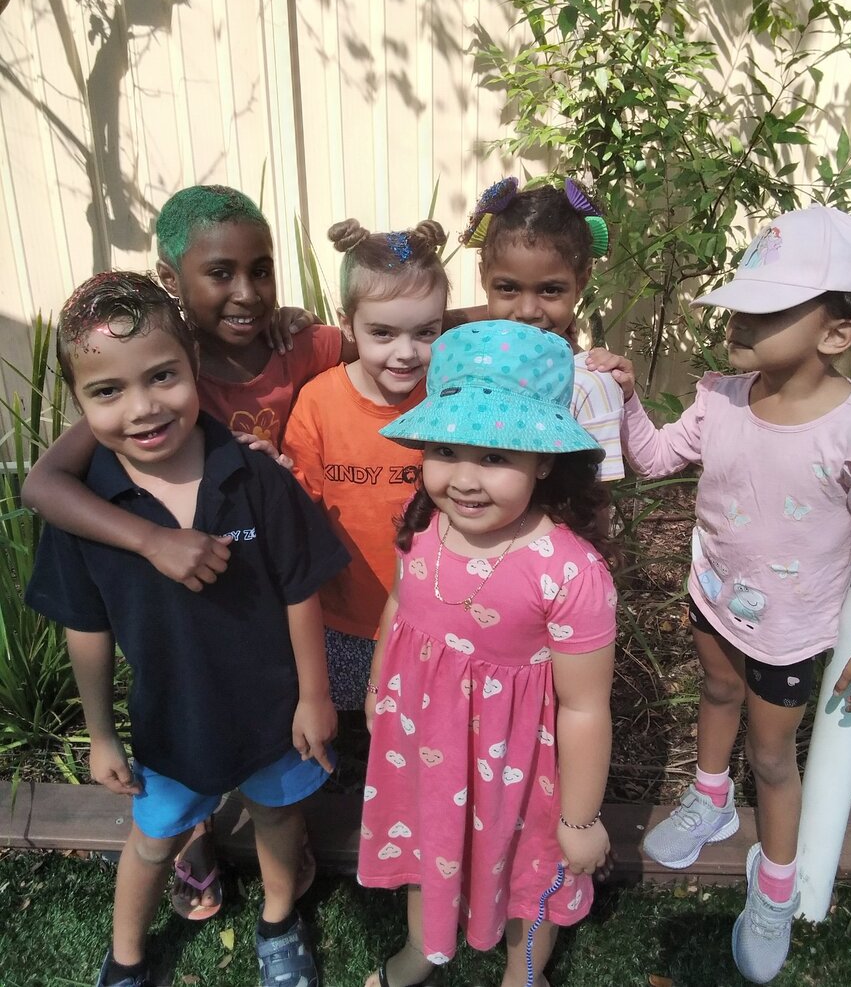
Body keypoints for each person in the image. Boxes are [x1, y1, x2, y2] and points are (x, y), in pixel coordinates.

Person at [21, 184, 348, 917]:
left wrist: (521, 317)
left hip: (262, 571)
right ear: (173, 280)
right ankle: (197, 834)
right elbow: (42, 483)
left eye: (261, 270)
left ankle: (269, 865)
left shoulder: (295, 344)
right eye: (221, 273)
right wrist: (151, 539)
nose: (248, 292)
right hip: (177, 587)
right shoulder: (140, 371)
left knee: (269, 769)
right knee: (190, 738)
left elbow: (391, 334)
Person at [602, 205, 851, 984]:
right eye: (740, 303)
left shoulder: (847, 428)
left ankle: (775, 885)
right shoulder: (720, 397)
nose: (739, 319)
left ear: (837, 333)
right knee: (716, 690)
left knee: (773, 754)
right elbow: (651, 458)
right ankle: (710, 797)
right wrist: (628, 398)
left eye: (768, 309)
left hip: (791, 629)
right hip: (713, 594)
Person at [358, 320, 618, 987]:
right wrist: (379, 684)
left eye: (496, 456)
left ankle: (522, 973)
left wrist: (580, 819)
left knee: (530, 870)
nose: (465, 480)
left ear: (543, 460)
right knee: (425, 843)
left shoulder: (567, 571)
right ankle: (421, 949)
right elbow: (400, 603)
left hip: (516, 766)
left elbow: (585, 706)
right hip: (421, 738)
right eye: (446, 449)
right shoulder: (425, 518)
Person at [283, 219, 450, 710]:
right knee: (348, 726)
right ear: (346, 323)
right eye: (382, 333)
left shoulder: (450, 399)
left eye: (426, 332)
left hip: (433, 617)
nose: (406, 353)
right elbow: (297, 505)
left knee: (422, 724)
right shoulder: (318, 403)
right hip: (342, 617)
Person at [462, 176, 626, 484]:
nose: (527, 311)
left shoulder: (589, 383)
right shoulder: (466, 365)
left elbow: (596, 498)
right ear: (484, 276)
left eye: (550, 290)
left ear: (582, 281)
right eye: (508, 288)